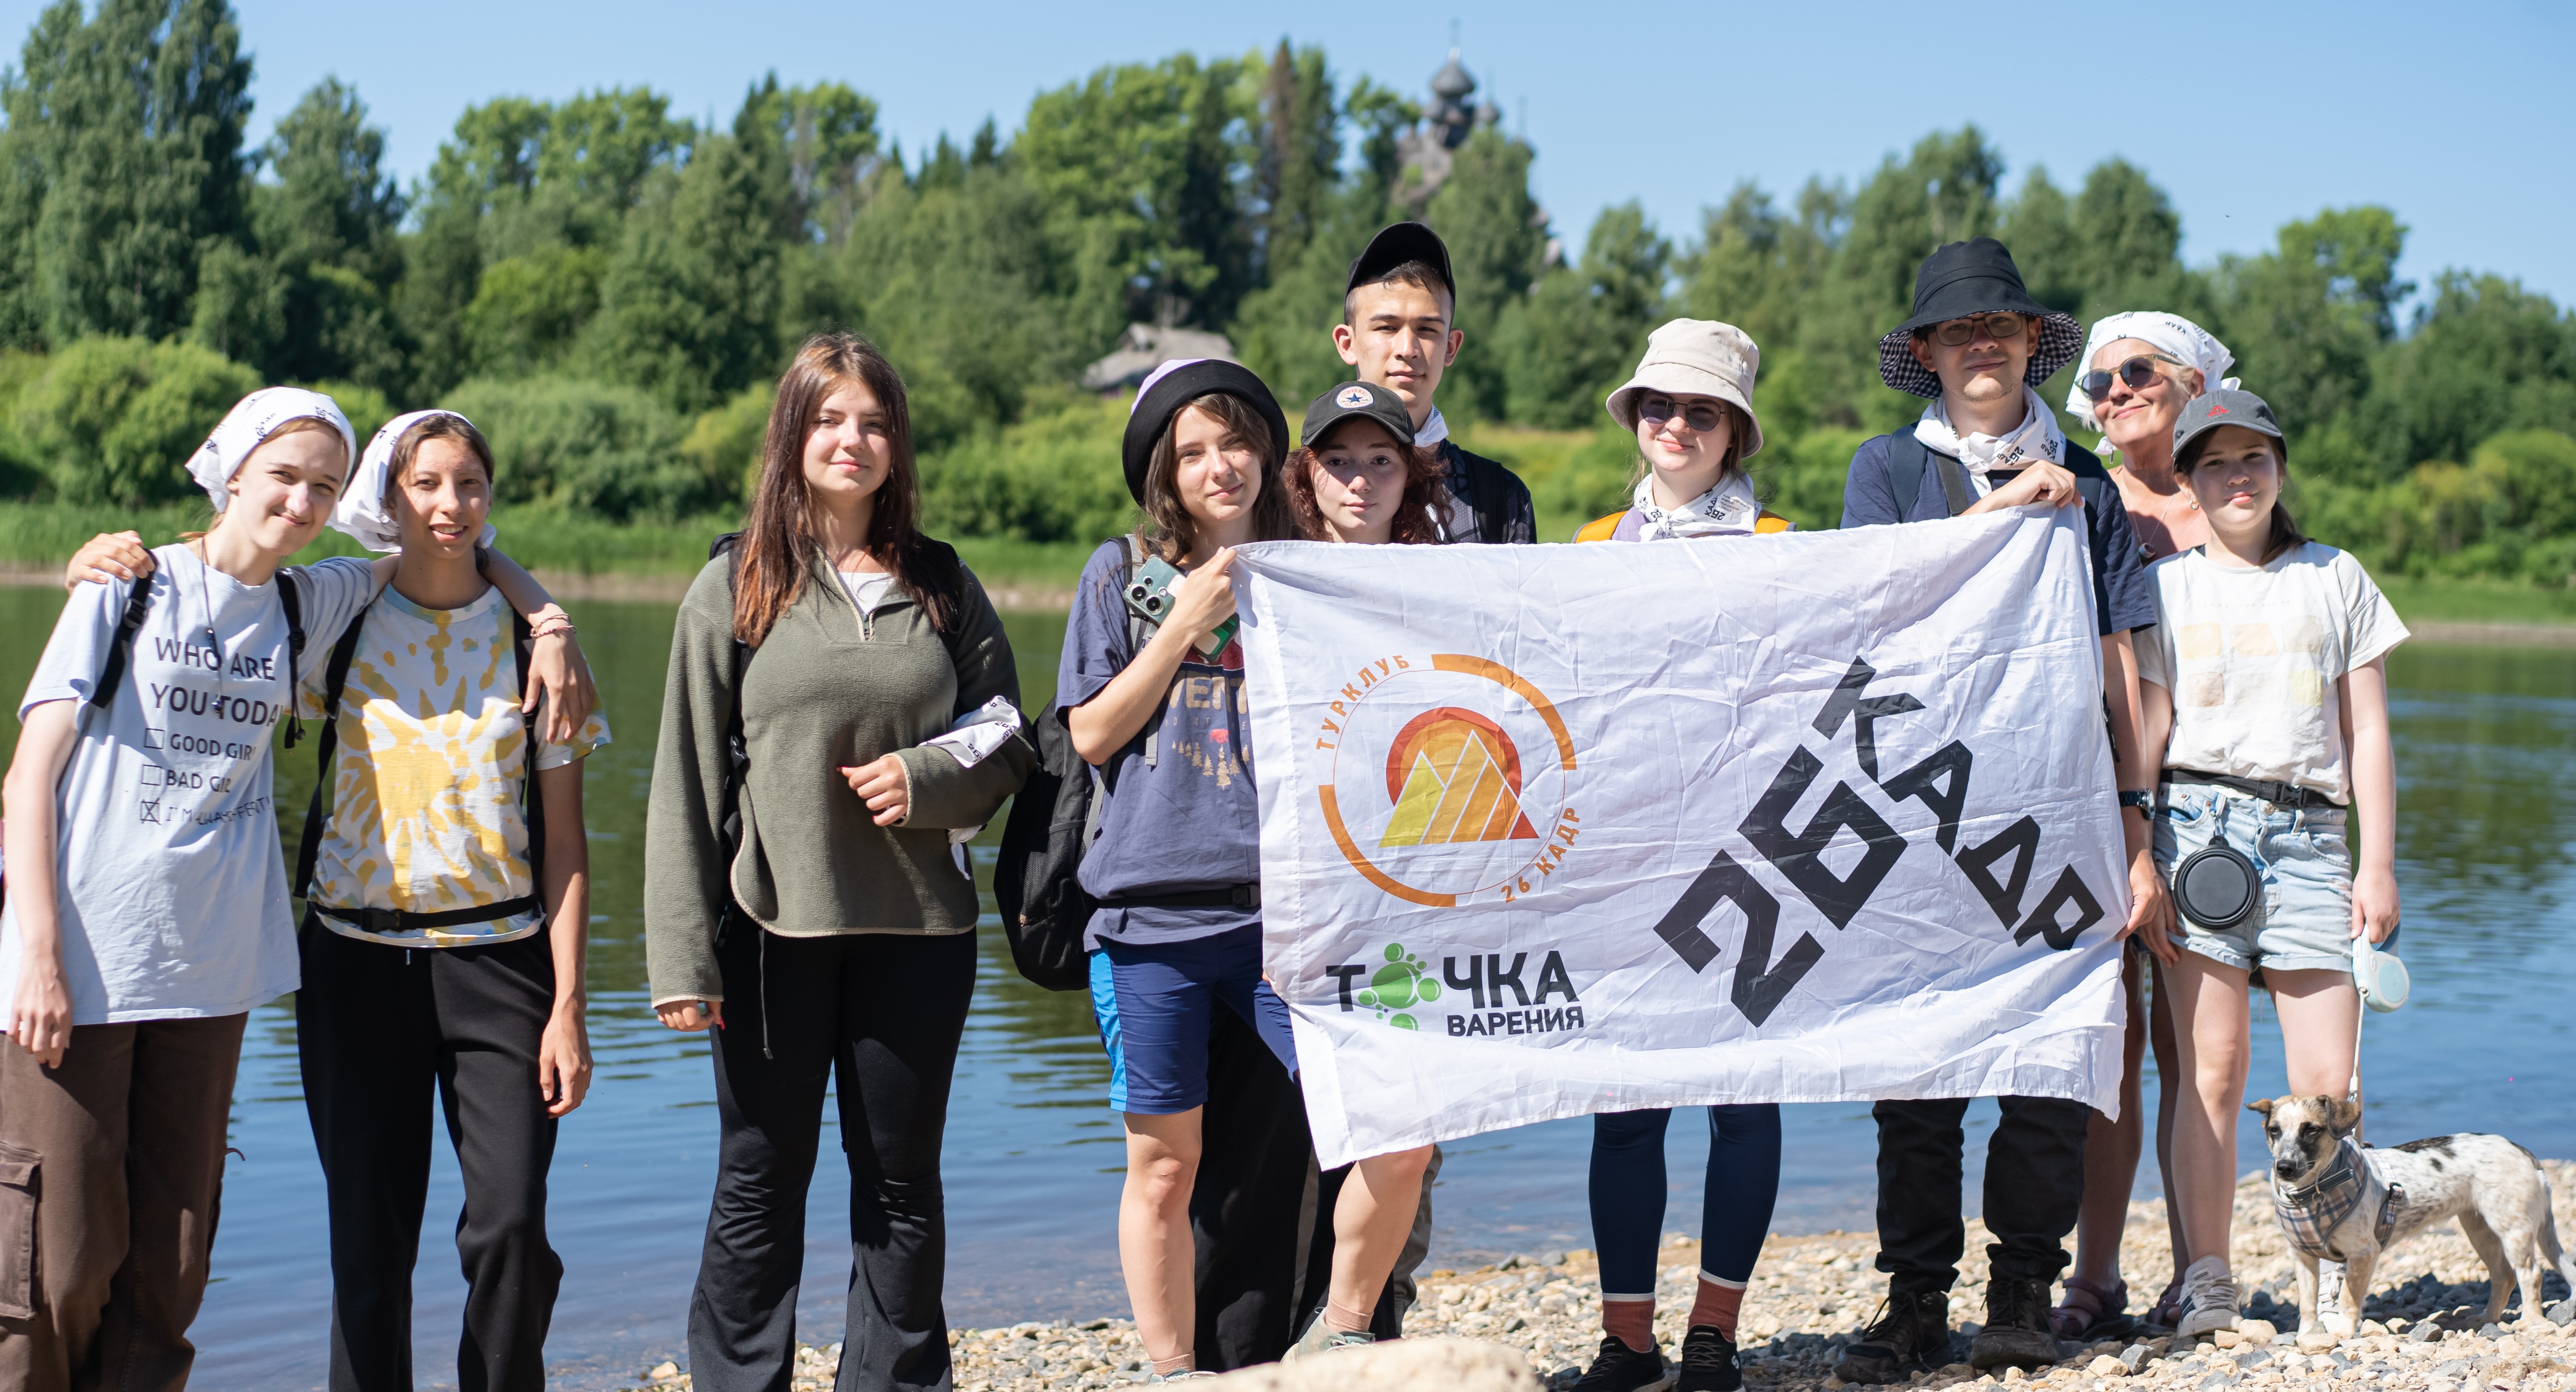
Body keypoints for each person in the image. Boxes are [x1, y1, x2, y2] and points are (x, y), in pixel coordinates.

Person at [0, 389, 590, 1392]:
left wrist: (549, 615)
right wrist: (36, 951)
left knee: (184, 1266)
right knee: (70, 1260)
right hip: (188, 962)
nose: (303, 498)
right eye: (285, 474)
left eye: (323, 482)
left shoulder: (354, 616)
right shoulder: (212, 600)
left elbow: (448, 555)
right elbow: (31, 776)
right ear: (232, 471)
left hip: (282, 966)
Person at [645, 332, 1033, 1392]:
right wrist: (683, 958)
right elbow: (684, 773)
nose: (852, 439)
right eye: (829, 418)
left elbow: (1010, 739)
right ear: (793, 435)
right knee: (760, 1182)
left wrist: (926, 778)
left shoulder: (944, 583)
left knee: (902, 1183)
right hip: (771, 930)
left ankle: (898, 1382)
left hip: (921, 933)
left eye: (872, 422)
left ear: (897, 445)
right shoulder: (736, 581)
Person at [1832, 238, 2174, 1382]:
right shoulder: (1885, 470)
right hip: (1915, 814)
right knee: (1913, 1075)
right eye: (1958, 328)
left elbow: (2122, 664)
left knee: (2047, 1063)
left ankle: (2023, 1284)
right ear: (1925, 352)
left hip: (2062, 808)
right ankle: (1913, 1296)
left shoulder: (2090, 483)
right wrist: (2007, 509)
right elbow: (1871, 612)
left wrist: (2135, 832)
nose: (1983, 341)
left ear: (2032, 342)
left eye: (2003, 325)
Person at [1061, 360, 1432, 1379]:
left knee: (1397, 1131)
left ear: (1270, 456)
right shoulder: (1120, 572)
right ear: (1163, 474)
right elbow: (1092, 732)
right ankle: (1174, 1369)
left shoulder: (1307, 568)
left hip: (1291, 919)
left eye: (1235, 444)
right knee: (1164, 1162)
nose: (1217, 466)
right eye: (1191, 452)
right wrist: (1184, 621)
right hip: (1148, 917)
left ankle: (1343, 1329)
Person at [287, 410, 607, 1392]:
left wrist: (568, 1004)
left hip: (502, 963)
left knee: (510, 1225)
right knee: (368, 1249)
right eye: (426, 483)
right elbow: (223, 597)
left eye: (469, 483)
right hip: (352, 963)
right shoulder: (335, 627)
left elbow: (563, 839)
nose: (449, 503)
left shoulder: (533, 646)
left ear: (490, 499)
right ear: (390, 494)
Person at [2136, 389, 2406, 1338]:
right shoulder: (2164, 587)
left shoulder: (2335, 576)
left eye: (2253, 457)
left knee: (2330, 1088)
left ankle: (2332, 1279)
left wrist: (2379, 862)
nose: (2236, 476)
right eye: (2215, 462)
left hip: (2313, 841)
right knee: (2210, 1068)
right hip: (2196, 830)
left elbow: (2367, 727)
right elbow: (2151, 730)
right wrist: (2140, 849)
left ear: (2280, 468)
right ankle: (2206, 1279)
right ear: (2190, 480)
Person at [1568, 320, 1789, 1392]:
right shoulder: (1589, 542)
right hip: (1625, 855)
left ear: (1734, 430)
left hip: (1756, 860)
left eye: (1701, 409)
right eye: (1659, 404)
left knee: (1745, 1101)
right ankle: (1628, 1340)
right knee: (1628, 1105)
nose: (1676, 424)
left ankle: (1714, 1333)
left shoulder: (1791, 542)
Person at [2054, 311, 2239, 1338]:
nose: (2115, 390)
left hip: (2204, 801)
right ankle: (2096, 1271)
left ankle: (2194, 1267)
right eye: (2100, 381)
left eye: (2138, 372)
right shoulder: (2070, 494)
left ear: (2197, 381)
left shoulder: (2232, 499)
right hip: (2086, 796)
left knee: (2192, 1042)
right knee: (2105, 1049)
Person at [1332, 221, 1537, 544]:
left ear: (1451, 347)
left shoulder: (1500, 497)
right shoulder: (1299, 485)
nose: (1408, 349)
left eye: (1427, 330)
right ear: (1347, 343)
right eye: (1387, 327)